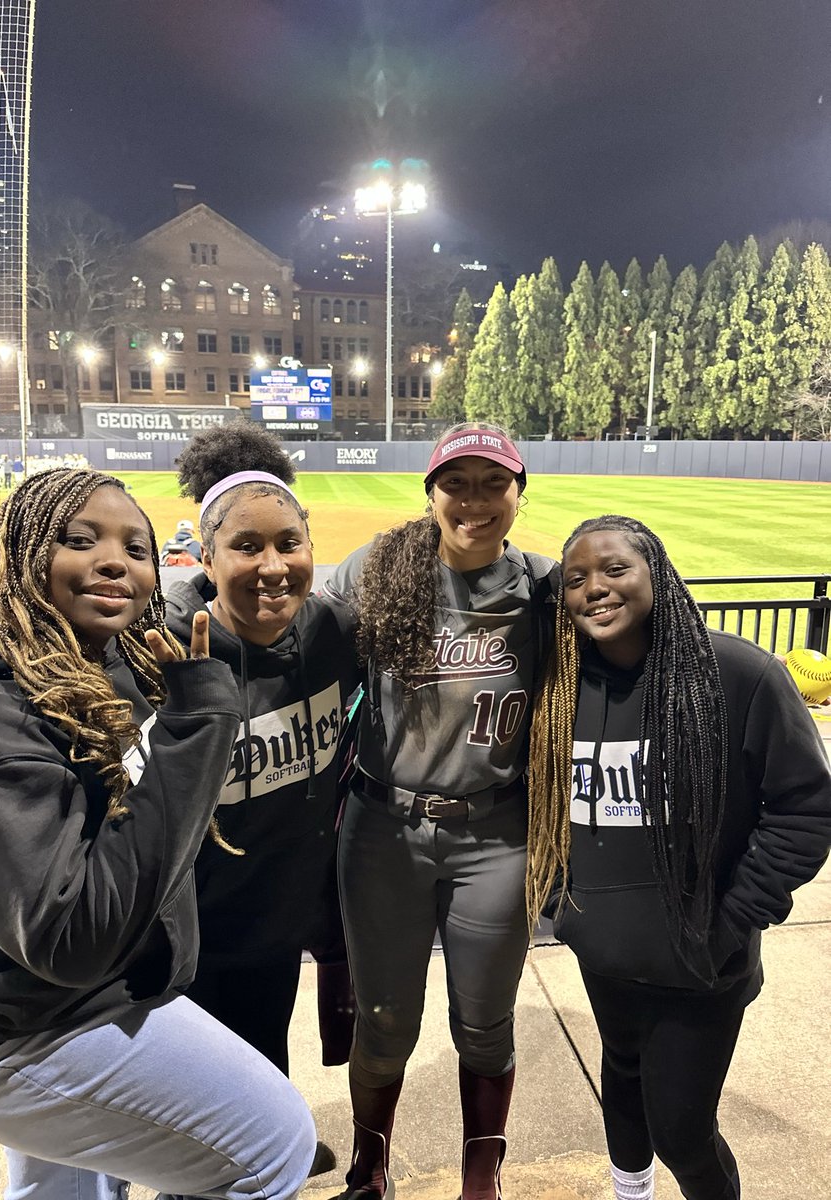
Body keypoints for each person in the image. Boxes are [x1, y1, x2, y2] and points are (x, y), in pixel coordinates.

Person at [0, 468, 316, 1200]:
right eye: (81, 540)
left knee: (66, 1193)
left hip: (43, 1007)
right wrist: (197, 726)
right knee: (274, 1147)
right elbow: (71, 936)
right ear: (18, 555)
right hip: (18, 1031)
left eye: (136, 548)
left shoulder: (90, 663)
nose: (116, 560)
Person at [526, 514, 831, 1200]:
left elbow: (805, 809)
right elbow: (537, 806)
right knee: (625, 1084)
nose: (594, 589)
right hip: (604, 957)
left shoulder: (737, 673)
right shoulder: (561, 688)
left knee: (683, 1134)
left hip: (701, 967)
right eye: (575, 579)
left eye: (615, 569)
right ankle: (630, 1193)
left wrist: (733, 920)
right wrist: (564, 908)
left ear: (656, 573)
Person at [321, 422, 559, 1200]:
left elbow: (639, 617)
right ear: (430, 493)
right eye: (457, 482)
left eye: (494, 482)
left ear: (519, 493)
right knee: (385, 1017)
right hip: (383, 830)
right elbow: (288, 626)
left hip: (496, 833)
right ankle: (370, 1162)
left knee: (484, 1021)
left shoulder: (544, 587)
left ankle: (480, 1173)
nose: (475, 500)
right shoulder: (380, 571)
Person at [164, 424, 362, 1183]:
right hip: (184, 937)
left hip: (277, 914)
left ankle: (273, 1135)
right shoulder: (167, 648)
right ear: (206, 557)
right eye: (247, 546)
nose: (273, 566)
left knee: (263, 1055)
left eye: (290, 543)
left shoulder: (332, 631)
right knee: (187, 1117)